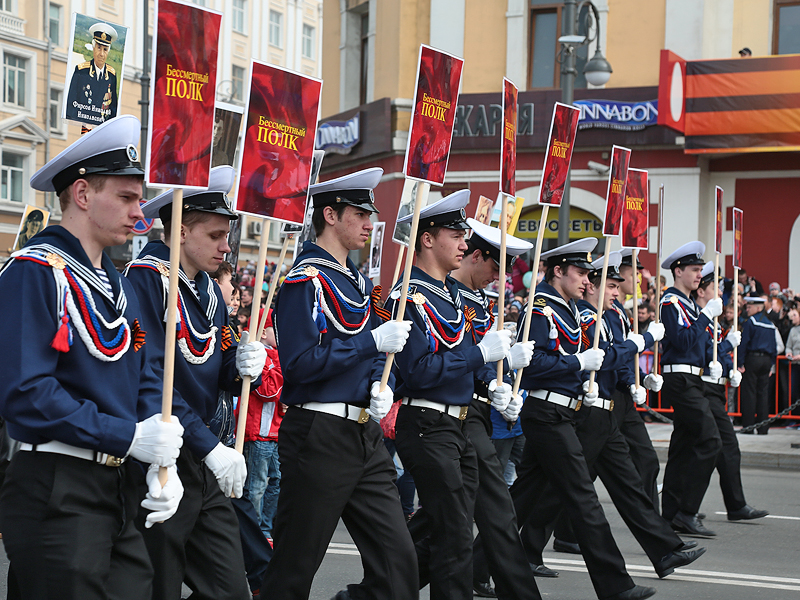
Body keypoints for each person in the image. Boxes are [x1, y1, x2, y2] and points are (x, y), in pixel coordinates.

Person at [0, 115, 184, 599]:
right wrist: (128, 436)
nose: (139, 213)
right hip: (57, 485)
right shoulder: (34, 271)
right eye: (125, 198)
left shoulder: (116, 285)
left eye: (139, 199)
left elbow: (144, 376)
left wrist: (161, 455)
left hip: (115, 485)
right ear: (82, 195)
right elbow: (26, 393)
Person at [261, 167, 418, 600]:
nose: (370, 223)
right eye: (360, 213)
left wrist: (378, 384)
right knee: (294, 568)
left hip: (363, 433)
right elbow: (299, 365)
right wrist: (370, 342)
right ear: (330, 214)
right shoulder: (305, 279)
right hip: (319, 435)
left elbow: (366, 358)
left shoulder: (357, 282)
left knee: (397, 564)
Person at [515, 251, 704, 581]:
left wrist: (635, 382)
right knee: (564, 491)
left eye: (617, 285)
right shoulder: (579, 315)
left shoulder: (609, 315)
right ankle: (530, 551)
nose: (615, 291)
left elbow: (608, 361)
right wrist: (640, 343)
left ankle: (664, 550)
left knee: (631, 476)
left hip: (605, 409)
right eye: (610, 285)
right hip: (583, 412)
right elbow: (597, 358)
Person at [125, 165, 268, 600]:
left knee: (229, 589)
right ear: (182, 231)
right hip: (164, 456)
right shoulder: (145, 279)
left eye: (228, 236)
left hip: (206, 455)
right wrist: (210, 448)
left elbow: (217, 363)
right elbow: (152, 379)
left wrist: (242, 362)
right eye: (216, 236)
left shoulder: (206, 288)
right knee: (160, 584)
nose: (227, 248)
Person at [510, 238, 656, 600]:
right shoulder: (541, 308)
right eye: (579, 272)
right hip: (547, 413)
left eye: (589, 274)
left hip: (564, 411)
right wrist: (578, 364)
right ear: (557, 271)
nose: (587, 281)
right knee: (584, 499)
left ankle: (477, 568)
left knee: (518, 502)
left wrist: (593, 380)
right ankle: (615, 586)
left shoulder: (569, 307)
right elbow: (532, 368)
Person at [386, 193, 514, 600]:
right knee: (456, 535)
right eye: (456, 234)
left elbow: (465, 363)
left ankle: (375, 592)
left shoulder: (456, 297)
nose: (464, 244)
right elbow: (420, 371)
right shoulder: (408, 296)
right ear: (427, 239)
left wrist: (495, 384)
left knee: (448, 531)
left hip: (459, 424)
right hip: (426, 424)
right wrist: (479, 354)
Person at [442, 216, 541, 600]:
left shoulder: (482, 302)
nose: (496, 280)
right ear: (476, 256)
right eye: (493, 269)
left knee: (459, 520)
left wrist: (500, 383)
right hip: (455, 415)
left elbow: (484, 364)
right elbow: (457, 359)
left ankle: (378, 590)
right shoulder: (450, 295)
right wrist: (487, 378)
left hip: (480, 415)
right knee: (485, 513)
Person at [659, 241, 729, 536]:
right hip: (680, 379)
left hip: (694, 378)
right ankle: (687, 512)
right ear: (679, 271)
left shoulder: (687, 303)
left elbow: (697, 347)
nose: (700, 275)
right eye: (695, 269)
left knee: (684, 446)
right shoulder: (670, 303)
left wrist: (717, 361)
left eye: (701, 269)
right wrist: (704, 316)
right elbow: (684, 341)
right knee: (711, 440)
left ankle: (672, 513)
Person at [693, 262, 768, 521]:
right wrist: (725, 347)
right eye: (715, 287)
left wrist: (730, 369)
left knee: (718, 448)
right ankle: (683, 509)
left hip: (714, 389)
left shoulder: (712, 321)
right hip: (700, 388)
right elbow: (701, 353)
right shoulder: (697, 318)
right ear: (701, 291)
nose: (721, 295)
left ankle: (732, 506)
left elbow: (717, 355)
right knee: (715, 446)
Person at [612, 248, 662, 511]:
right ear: (619, 275)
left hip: (623, 395)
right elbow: (615, 356)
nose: (640, 281)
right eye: (635, 274)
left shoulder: (620, 311)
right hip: (610, 395)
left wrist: (640, 379)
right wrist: (632, 382)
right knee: (585, 467)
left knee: (646, 460)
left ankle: (658, 530)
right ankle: (566, 531)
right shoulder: (608, 311)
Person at [242, 308, 284, 541]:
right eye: (275, 329)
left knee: (277, 482)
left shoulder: (278, 356)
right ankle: (254, 532)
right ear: (264, 333)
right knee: (256, 487)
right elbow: (270, 391)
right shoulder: (258, 356)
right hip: (258, 433)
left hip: (276, 433)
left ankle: (265, 529)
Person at [738, 296, 780, 435]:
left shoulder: (751, 322)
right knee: (763, 394)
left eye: (749, 307)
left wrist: (740, 362)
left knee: (749, 393)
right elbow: (774, 347)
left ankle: (748, 426)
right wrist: (772, 363)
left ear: (758, 308)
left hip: (753, 359)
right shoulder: (770, 324)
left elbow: (743, 344)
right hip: (766, 361)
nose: (747, 309)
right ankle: (763, 428)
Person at [66, 22, 118, 124]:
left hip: (102, 126)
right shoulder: (81, 71)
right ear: (93, 48)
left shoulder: (111, 75)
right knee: (88, 139)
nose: (101, 54)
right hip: (84, 124)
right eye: (99, 48)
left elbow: (113, 107)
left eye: (105, 49)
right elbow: (71, 103)